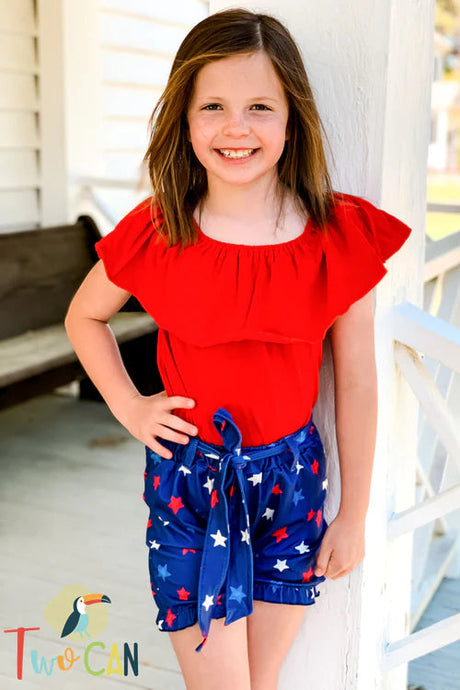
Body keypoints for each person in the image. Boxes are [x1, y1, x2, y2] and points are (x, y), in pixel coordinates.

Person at [64, 8, 412, 690]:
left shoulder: (335, 236)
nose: (236, 127)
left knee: (261, 681)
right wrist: (131, 407)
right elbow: (85, 316)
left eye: (259, 107)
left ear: (291, 119)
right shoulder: (160, 229)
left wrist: (354, 514)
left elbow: (358, 382)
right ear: (185, 119)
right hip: (191, 486)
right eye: (213, 106)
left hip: (291, 486)